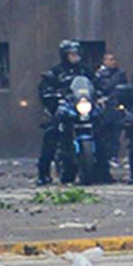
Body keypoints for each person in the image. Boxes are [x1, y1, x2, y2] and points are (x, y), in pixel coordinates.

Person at [36, 39, 87, 185]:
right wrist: (52, 97)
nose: (75, 57)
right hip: (64, 109)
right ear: (65, 55)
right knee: (51, 135)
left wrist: (101, 93)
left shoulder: (84, 70)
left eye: (77, 54)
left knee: (102, 128)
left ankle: (102, 171)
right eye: (72, 54)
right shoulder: (55, 72)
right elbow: (44, 89)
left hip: (82, 108)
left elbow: (95, 83)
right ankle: (43, 173)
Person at [94, 51, 128, 168]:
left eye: (114, 59)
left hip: (116, 105)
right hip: (104, 108)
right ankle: (106, 157)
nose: (113, 62)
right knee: (105, 133)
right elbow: (99, 88)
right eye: (110, 60)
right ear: (104, 61)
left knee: (116, 133)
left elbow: (123, 88)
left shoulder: (120, 73)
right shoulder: (98, 75)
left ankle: (114, 156)